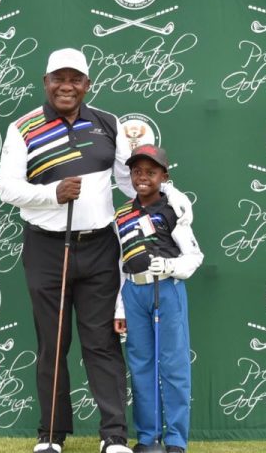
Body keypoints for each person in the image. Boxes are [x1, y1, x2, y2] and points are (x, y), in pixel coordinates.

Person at [0, 48, 192, 453]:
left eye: (75, 79)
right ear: (46, 82)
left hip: (100, 246)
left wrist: (171, 196)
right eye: (58, 78)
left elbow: (128, 180)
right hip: (46, 249)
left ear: (88, 84)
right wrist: (51, 193)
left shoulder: (106, 123)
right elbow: (7, 189)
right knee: (53, 343)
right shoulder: (23, 128)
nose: (66, 86)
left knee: (101, 342)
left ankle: (114, 436)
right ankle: (50, 436)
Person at [113, 144, 203, 453]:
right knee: (140, 365)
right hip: (134, 291)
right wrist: (119, 306)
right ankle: (147, 437)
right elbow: (119, 263)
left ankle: (176, 439)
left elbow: (194, 256)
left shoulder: (173, 209)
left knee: (174, 364)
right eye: (137, 171)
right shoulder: (122, 213)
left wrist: (169, 266)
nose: (142, 177)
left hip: (167, 288)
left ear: (163, 176)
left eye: (150, 172)